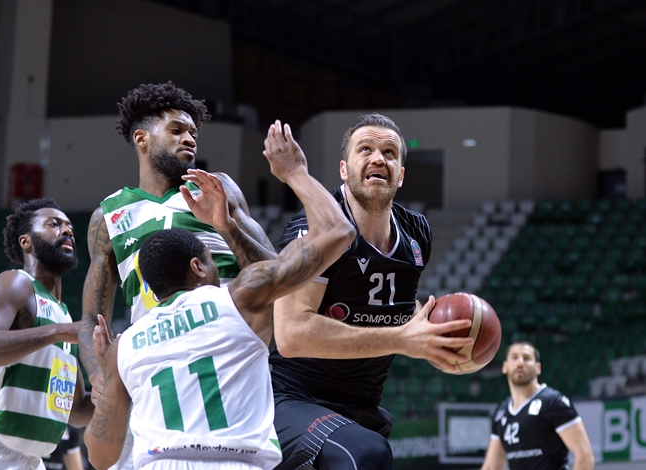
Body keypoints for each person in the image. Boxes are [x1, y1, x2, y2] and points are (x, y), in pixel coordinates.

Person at [84, 121, 356, 470]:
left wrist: (111, 378)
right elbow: (338, 230)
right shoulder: (239, 301)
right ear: (199, 266)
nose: (190, 138)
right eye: (213, 258)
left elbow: (100, 456)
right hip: (235, 459)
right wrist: (295, 173)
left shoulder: (126, 346)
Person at [79, 82, 276, 468]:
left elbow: (274, 272)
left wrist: (226, 225)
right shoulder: (109, 217)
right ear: (142, 138)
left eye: (193, 133)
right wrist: (97, 374)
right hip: (155, 366)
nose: (190, 139)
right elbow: (90, 318)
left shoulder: (216, 189)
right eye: (176, 130)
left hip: (225, 358)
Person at [270, 113, 477, 469]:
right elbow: (291, 334)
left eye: (389, 152)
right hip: (291, 399)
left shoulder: (417, 232)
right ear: (344, 170)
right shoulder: (312, 229)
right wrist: (402, 339)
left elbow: (392, 303)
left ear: (401, 175)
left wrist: (434, 333)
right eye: (365, 149)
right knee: (366, 454)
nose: (378, 158)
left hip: (361, 406)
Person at [0, 198, 94, 470]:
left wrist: (119, 388)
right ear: (26, 241)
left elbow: (77, 411)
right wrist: (58, 332)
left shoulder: (64, 316)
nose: (67, 231)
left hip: (32, 461)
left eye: (70, 227)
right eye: (54, 224)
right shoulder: (16, 283)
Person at [481, 341, 595, 470]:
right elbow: (491, 467)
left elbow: (585, 456)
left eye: (526, 358)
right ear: (505, 367)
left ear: (538, 368)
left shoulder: (553, 402)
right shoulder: (501, 412)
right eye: (514, 357)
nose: (520, 362)